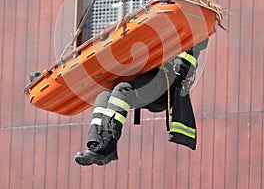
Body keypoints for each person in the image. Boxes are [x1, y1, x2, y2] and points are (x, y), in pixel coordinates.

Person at [74, 39, 209, 166]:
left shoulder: (194, 24)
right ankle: (96, 145)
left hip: (166, 84)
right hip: (149, 78)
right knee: (104, 96)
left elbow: (201, 39)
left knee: (122, 91)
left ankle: (108, 143)